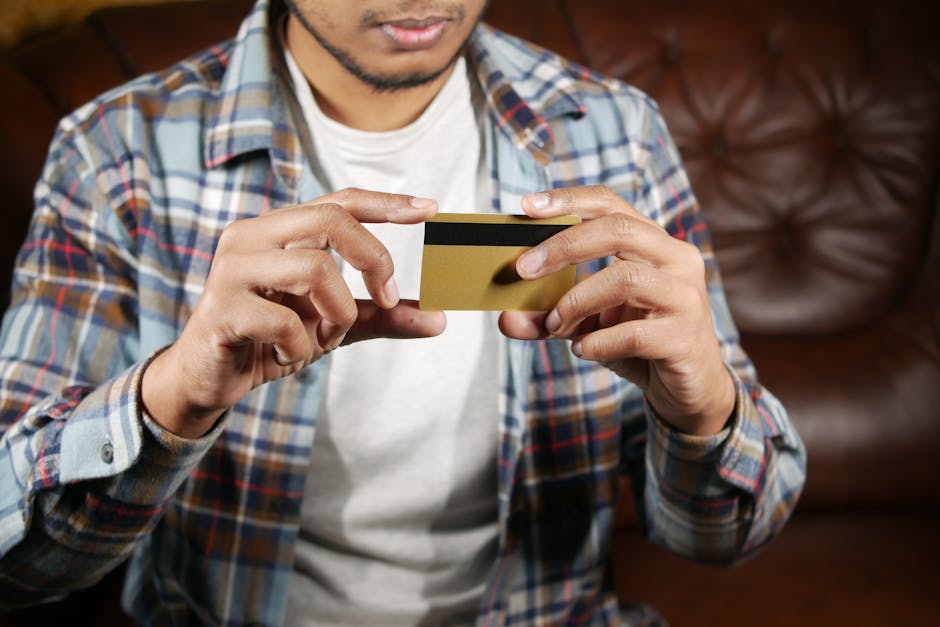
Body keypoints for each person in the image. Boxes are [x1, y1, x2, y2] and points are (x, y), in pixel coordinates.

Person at [0, 0, 806, 624]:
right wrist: (170, 398)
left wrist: (705, 410)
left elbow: (730, 533)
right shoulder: (114, 152)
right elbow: (16, 564)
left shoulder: (613, 133)